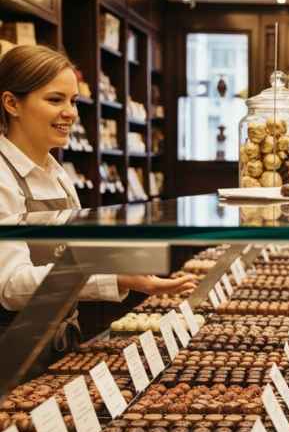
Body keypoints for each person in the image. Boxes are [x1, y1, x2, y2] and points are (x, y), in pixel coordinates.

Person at [0, 45, 195, 346]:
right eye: (55, 100)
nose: (71, 112)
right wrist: (117, 277)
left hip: (58, 343)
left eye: (74, 101)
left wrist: (132, 260)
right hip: (12, 350)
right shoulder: (3, 177)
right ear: (12, 103)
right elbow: (11, 286)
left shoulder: (58, 173)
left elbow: (78, 254)